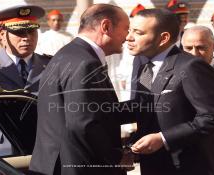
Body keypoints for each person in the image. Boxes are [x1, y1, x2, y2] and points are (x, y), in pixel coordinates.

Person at [30, 4, 135, 175]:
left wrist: (147, 106)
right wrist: (116, 158)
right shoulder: (85, 62)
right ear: (106, 27)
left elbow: (98, 111)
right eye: (126, 29)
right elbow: (85, 124)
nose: (128, 36)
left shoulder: (70, 54)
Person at [127, 9, 214, 175]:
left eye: (138, 32)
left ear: (164, 38)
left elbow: (213, 117)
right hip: (154, 165)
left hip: (190, 167)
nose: (129, 37)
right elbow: (143, 109)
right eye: (130, 30)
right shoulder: (145, 67)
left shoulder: (191, 66)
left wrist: (164, 138)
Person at [0, 5, 51, 157]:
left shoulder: (52, 64)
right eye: (18, 31)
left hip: (41, 152)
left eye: (31, 30)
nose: (27, 37)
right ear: (1, 35)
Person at [181, 25, 214, 175]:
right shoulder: (171, 75)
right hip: (188, 156)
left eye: (201, 47)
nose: (194, 54)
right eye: (188, 48)